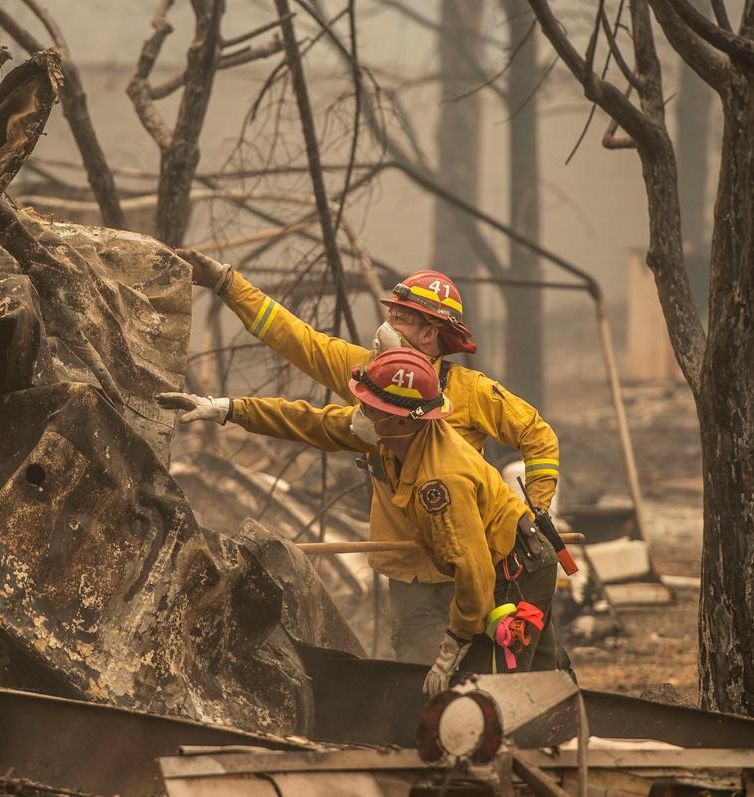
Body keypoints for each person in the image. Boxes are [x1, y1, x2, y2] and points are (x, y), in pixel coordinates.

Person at [177, 250, 560, 665]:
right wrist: (227, 285)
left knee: (507, 665)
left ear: (430, 333)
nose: (387, 326)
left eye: (401, 318)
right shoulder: (374, 378)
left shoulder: (470, 394)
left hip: (476, 555)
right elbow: (298, 347)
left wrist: (535, 510)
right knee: (419, 672)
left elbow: (537, 436)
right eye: (391, 314)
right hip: (409, 567)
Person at [158, 349, 560, 694]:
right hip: (501, 561)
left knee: (492, 691)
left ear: (405, 419)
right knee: (516, 679)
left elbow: (473, 574)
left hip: (515, 569)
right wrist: (225, 409)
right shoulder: (393, 435)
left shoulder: (440, 483)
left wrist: (452, 647)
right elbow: (309, 421)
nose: (360, 414)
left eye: (371, 408)